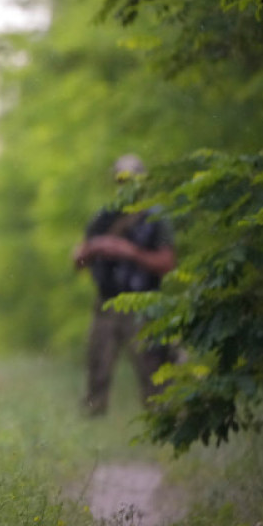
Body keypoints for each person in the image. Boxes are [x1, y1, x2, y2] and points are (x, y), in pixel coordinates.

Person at [72, 154, 177, 416]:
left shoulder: (155, 219)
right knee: (97, 368)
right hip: (106, 303)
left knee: (153, 371)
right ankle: (93, 422)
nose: (127, 185)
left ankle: (161, 423)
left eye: (132, 180)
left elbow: (167, 263)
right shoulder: (103, 219)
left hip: (143, 306)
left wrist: (129, 252)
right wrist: (95, 249)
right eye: (122, 180)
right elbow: (77, 260)